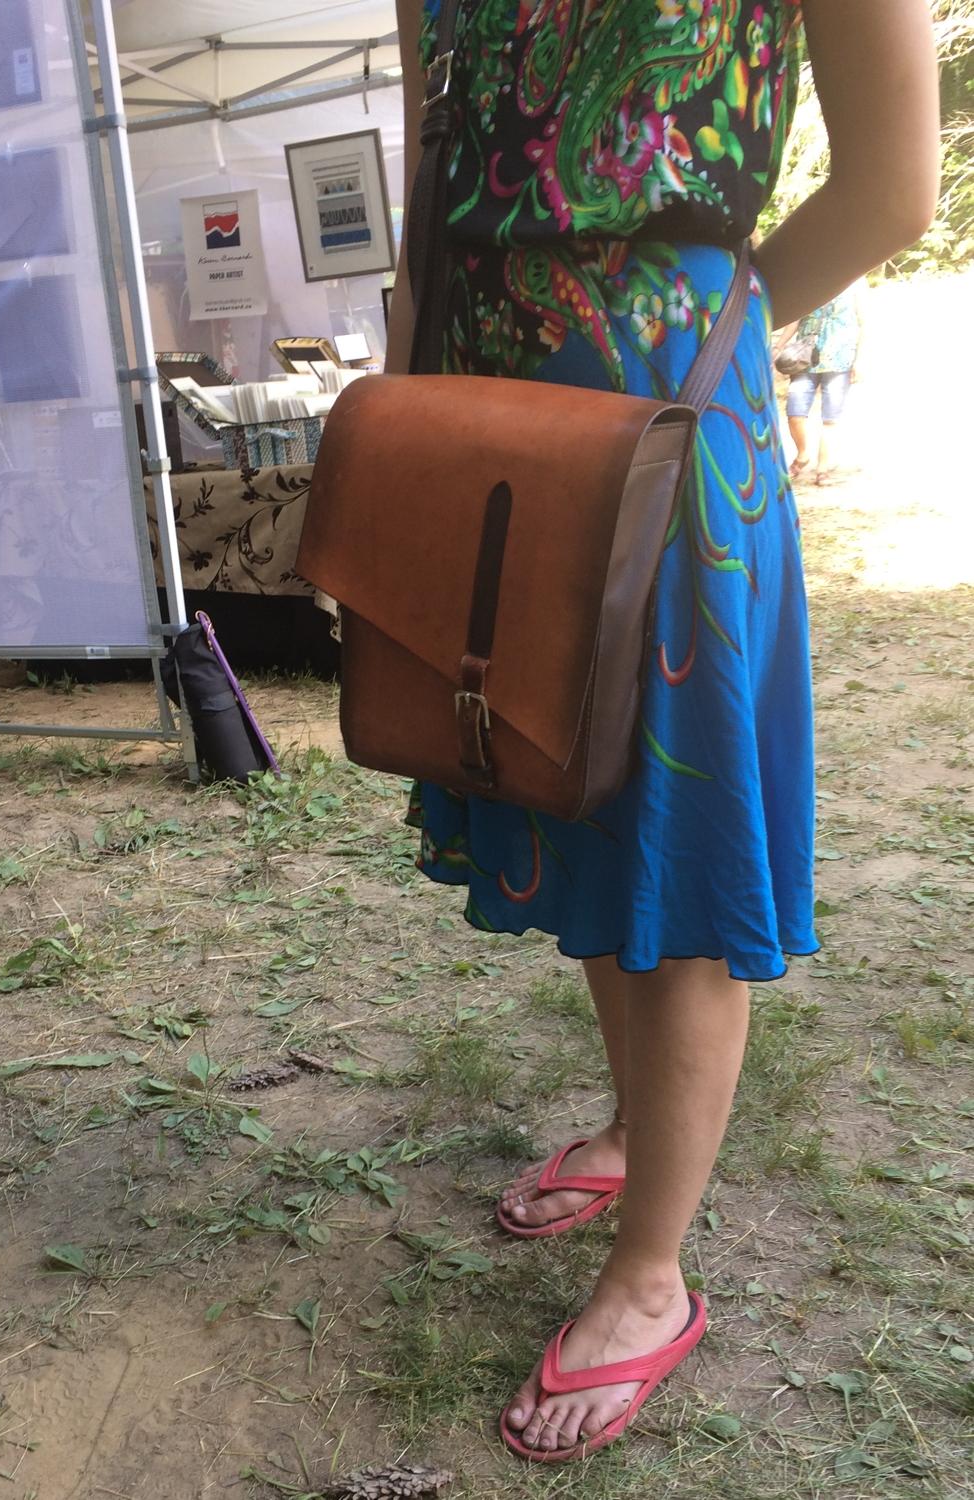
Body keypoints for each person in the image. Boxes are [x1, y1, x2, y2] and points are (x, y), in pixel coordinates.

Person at [385, 0, 938, 1465]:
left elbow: (893, 189)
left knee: (673, 828)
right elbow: (431, 178)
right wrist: (404, 421)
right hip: (486, 407)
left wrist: (694, 318)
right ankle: (635, 1132)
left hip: (671, 404)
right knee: (560, 777)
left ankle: (650, 1276)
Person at [785, 284, 863, 485]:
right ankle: (802, 455)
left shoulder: (856, 283)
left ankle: (823, 468)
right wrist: (778, 346)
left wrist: (860, 360)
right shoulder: (812, 279)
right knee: (794, 414)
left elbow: (865, 323)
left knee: (830, 418)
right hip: (805, 359)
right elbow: (795, 318)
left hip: (840, 360)